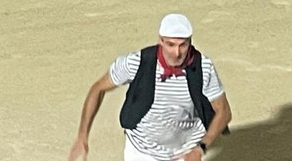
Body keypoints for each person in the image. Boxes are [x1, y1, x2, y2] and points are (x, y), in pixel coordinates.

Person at [68, 13, 232, 161]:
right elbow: (98, 88)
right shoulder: (136, 62)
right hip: (141, 151)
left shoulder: (203, 68)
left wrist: (201, 147)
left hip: (185, 153)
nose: (177, 52)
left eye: (183, 45)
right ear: (160, 41)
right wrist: (82, 136)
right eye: (170, 44)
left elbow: (223, 111)